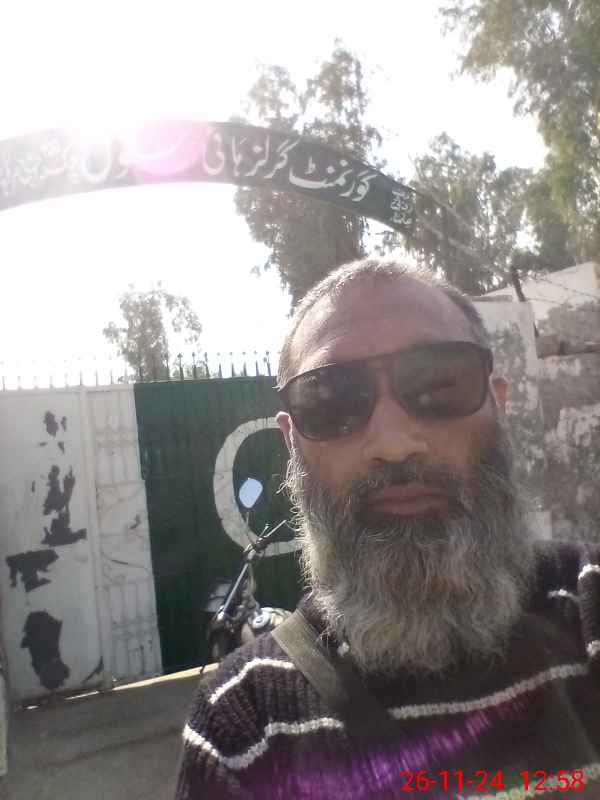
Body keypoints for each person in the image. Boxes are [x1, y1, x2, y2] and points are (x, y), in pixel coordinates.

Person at [175, 259, 600, 799]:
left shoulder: (588, 604)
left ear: (498, 404)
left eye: (439, 386)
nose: (394, 444)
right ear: (292, 444)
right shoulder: (242, 726)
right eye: (331, 402)